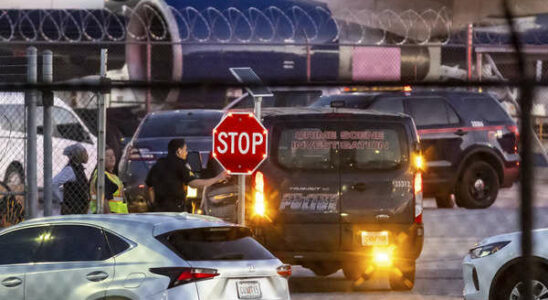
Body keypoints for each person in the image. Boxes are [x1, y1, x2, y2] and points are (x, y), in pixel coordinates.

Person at [146, 138, 229, 212]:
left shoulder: (158, 164)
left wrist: (154, 205)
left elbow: (150, 188)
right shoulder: (180, 164)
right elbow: (193, 183)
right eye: (185, 150)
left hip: (158, 210)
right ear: (179, 151)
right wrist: (217, 178)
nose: (186, 153)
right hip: (175, 210)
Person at [89, 147, 129, 214]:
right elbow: (104, 200)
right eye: (107, 155)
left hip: (118, 214)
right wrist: (109, 216)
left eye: (112, 155)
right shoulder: (102, 176)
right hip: (111, 215)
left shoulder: (112, 176)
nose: (111, 157)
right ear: (100, 159)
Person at [52, 143, 89, 215]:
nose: (86, 154)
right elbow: (53, 184)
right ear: (77, 154)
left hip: (79, 211)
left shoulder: (79, 168)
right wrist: (62, 202)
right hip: (72, 211)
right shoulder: (70, 170)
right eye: (84, 152)